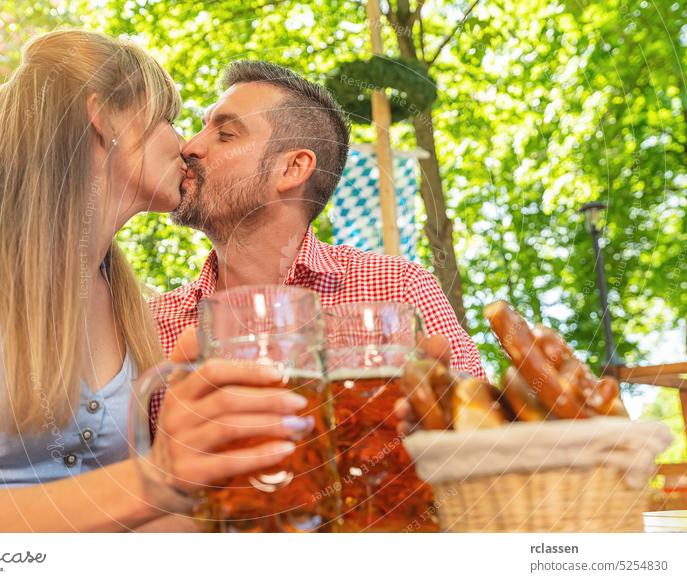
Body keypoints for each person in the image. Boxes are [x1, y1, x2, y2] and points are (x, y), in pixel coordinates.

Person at [0, 30, 310, 532]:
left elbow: (144, 528)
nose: (187, 146)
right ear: (104, 117)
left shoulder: (135, 307)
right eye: (168, 121)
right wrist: (162, 477)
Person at [150, 60, 486, 430]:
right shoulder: (152, 324)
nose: (190, 147)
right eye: (200, 128)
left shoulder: (398, 289)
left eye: (226, 134)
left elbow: (481, 439)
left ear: (293, 169)